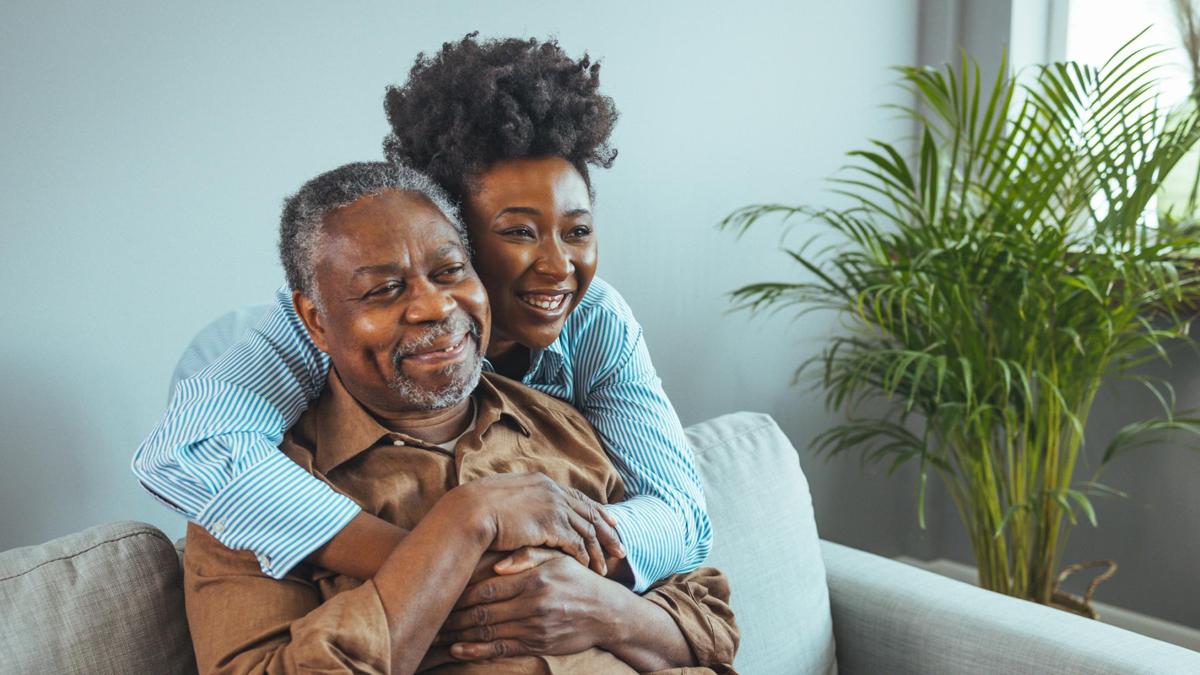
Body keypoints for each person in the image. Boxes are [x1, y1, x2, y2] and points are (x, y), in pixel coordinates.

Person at [134, 34, 709, 592]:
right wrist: (441, 565)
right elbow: (188, 448)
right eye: (518, 232)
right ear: (448, 231)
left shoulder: (596, 318)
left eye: (577, 230)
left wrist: (550, 568)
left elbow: (683, 515)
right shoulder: (321, 326)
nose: (559, 266)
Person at [183, 160, 738, 674]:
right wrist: (463, 525)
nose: (435, 306)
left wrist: (602, 609)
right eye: (385, 289)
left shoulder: (561, 421)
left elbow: (711, 624)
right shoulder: (248, 498)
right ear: (316, 320)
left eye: (450, 271)